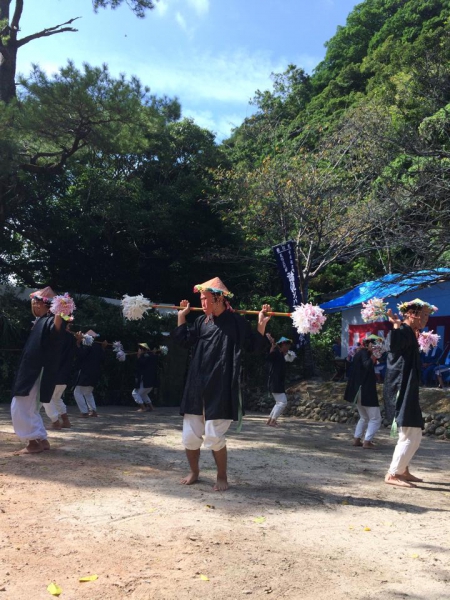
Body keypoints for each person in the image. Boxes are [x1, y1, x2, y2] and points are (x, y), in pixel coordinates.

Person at [173, 277, 272, 491]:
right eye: (201, 298)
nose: (202, 302)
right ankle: (194, 471)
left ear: (218, 299)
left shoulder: (237, 323)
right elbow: (183, 341)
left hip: (220, 385)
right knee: (190, 435)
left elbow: (254, 348)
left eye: (205, 298)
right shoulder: (201, 322)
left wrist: (261, 326)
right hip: (196, 385)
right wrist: (181, 318)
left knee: (214, 435)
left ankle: (221, 476)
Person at [384, 298, 437, 488]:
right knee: (409, 432)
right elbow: (392, 345)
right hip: (401, 387)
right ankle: (393, 473)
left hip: (409, 387)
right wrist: (397, 325)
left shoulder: (411, 333)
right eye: (423, 315)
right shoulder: (403, 331)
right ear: (411, 314)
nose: (425, 319)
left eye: (427, 315)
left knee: (416, 433)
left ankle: (403, 468)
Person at [10, 287, 65, 454]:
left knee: (20, 405)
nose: (34, 305)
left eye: (36, 302)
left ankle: (32, 442)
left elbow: (57, 329)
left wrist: (60, 310)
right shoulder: (42, 320)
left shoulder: (49, 320)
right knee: (31, 406)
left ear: (42, 305)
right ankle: (41, 439)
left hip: (36, 370)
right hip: (34, 368)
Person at [344, 334, 382, 449]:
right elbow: (367, 365)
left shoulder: (359, 354)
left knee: (364, 417)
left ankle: (357, 439)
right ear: (369, 344)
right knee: (375, 418)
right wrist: (373, 355)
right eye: (374, 345)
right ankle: (367, 441)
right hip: (364, 390)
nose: (377, 347)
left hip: (358, 390)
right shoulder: (364, 354)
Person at [41, 322, 76, 429]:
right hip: (64, 374)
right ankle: (66, 421)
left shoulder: (56, 336)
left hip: (53, 372)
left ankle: (55, 421)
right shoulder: (72, 338)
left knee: (45, 398)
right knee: (56, 398)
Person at [73, 329, 106, 417]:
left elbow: (81, 355)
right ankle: (93, 411)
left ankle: (84, 412)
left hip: (85, 372)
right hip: (95, 373)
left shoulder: (87, 345)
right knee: (88, 392)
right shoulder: (99, 347)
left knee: (77, 392)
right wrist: (103, 348)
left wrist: (78, 343)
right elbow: (103, 359)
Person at [266, 335, 292, 427]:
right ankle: (272, 421)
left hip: (276, 382)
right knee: (282, 402)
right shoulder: (276, 354)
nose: (288, 347)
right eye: (287, 345)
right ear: (282, 345)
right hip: (275, 381)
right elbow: (270, 357)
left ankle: (270, 420)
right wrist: (273, 346)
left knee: (279, 402)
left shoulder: (280, 355)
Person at [132, 343, 158, 412]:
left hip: (145, 380)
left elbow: (141, 365)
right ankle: (151, 407)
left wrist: (139, 356)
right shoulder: (152, 356)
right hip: (150, 381)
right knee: (143, 394)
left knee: (135, 393)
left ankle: (143, 407)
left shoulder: (146, 357)